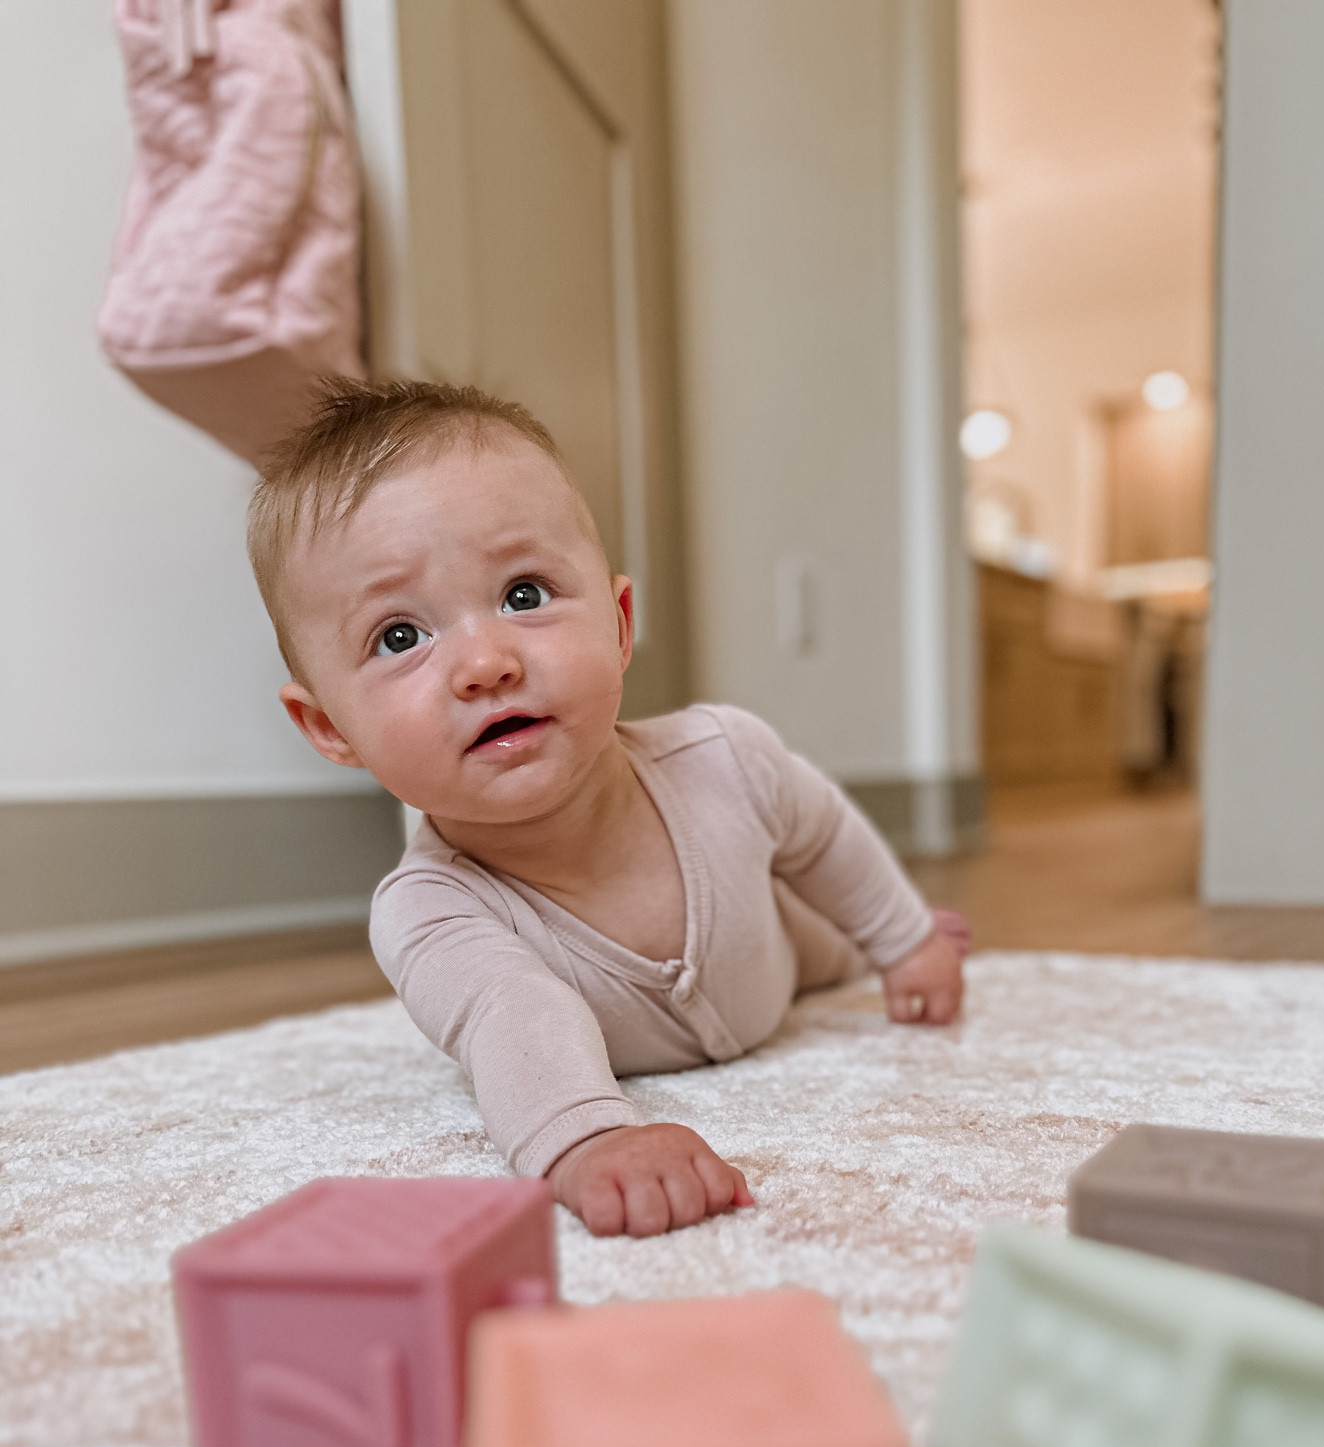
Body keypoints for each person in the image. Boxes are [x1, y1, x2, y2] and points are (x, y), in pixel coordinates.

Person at [249, 379, 970, 1238]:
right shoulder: (428, 912)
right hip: (727, 977)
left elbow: (821, 838)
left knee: (814, 937)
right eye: (400, 636)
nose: (485, 662)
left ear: (620, 625)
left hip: (765, 941)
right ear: (330, 725)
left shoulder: (726, 759)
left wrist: (900, 938)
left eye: (524, 594)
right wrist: (589, 1141)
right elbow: (514, 1010)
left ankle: (872, 937)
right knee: (787, 943)